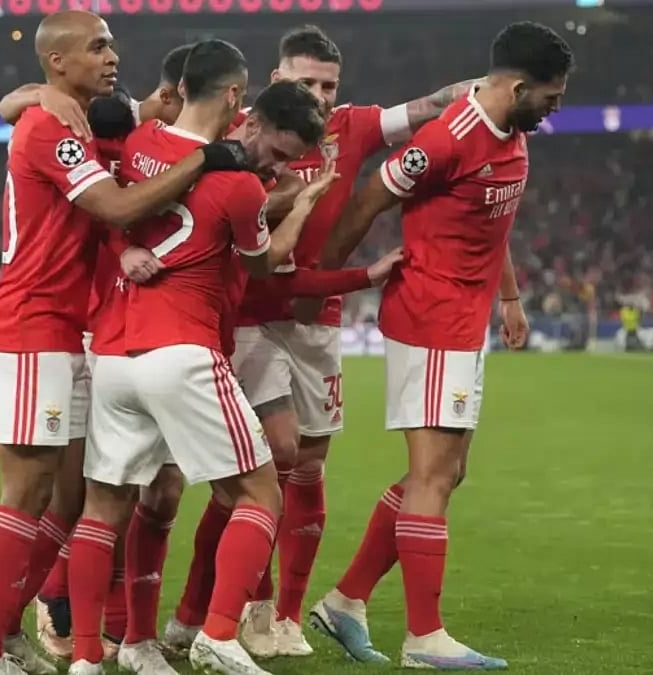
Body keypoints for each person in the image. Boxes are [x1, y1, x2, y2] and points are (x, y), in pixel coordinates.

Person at [169, 25, 481, 659]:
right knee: (270, 458)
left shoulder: (351, 127)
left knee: (308, 465)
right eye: (306, 81)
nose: (319, 94)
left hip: (318, 319)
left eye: (329, 84)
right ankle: (243, 607)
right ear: (275, 80)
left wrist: (490, 90)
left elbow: (431, 105)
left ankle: (286, 614)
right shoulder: (242, 139)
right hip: (250, 314)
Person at [0, 12, 254, 675]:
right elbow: (118, 208)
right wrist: (205, 159)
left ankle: (4, 633)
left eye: (112, 43)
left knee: (67, 501)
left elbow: (133, 119)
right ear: (58, 61)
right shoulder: (49, 127)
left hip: (68, 329)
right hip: (29, 323)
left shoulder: (83, 122)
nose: (112, 55)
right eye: (98, 46)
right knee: (27, 490)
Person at [303, 21, 572, 670]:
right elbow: (369, 198)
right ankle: (424, 637)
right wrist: (316, 281)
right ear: (517, 87)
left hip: (466, 320)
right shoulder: (447, 139)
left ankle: (345, 600)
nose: (555, 109)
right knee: (432, 476)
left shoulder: (513, 131)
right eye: (551, 97)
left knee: (447, 471)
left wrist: (509, 297)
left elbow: (491, 222)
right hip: (430, 317)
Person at [70, 36, 332, 673]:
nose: (276, 163)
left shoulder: (139, 142)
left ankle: (92, 655)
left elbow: (107, 210)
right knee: (261, 494)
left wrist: (124, 249)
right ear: (239, 99)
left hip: (115, 354)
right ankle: (218, 634)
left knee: (108, 508)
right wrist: (299, 204)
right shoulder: (238, 185)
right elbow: (263, 264)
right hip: (182, 351)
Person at [0, 43, 197, 662]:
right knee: (73, 496)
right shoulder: (83, 126)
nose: (111, 56)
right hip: (74, 325)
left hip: (123, 330)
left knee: (132, 491)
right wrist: (37, 92)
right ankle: (26, 619)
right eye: (98, 46)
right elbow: (15, 107)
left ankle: (105, 629)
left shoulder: (130, 123)